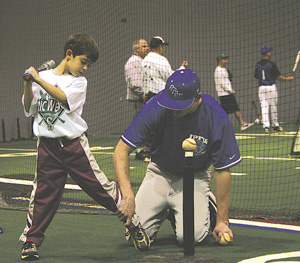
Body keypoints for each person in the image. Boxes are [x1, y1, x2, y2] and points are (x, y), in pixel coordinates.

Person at [20, 33, 150, 261]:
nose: (85, 68)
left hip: (73, 147)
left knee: (101, 189)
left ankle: (134, 224)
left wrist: (39, 79)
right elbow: (30, 108)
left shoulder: (78, 82)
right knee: (42, 195)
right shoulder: (43, 77)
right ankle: (30, 241)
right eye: (83, 61)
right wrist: (28, 83)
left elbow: (63, 99)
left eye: (88, 64)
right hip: (47, 148)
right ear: (69, 54)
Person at [113, 68, 240, 246]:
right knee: (134, 235)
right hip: (159, 172)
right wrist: (128, 196)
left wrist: (222, 221)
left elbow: (222, 169)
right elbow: (121, 150)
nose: (173, 107)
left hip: (194, 177)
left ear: (198, 98)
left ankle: (207, 202)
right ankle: (170, 208)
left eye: (180, 104)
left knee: (190, 238)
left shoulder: (216, 115)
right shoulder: (156, 105)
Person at [254, 46, 294, 133]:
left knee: (264, 107)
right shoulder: (271, 64)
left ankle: (266, 127)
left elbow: (257, 78)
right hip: (271, 87)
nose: (270, 53)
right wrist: (288, 79)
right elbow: (278, 77)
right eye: (269, 52)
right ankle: (275, 125)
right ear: (267, 53)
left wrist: (260, 87)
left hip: (261, 88)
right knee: (273, 106)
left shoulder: (258, 64)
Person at [124, 39, 150, 161]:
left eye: (147, 46)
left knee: (144, 125)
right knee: (140, 125)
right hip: (138, 99)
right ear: (137, 49)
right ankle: (140, 151)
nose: (147, 48)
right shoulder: (133, 62)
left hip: (142, 99)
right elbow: (135, 83)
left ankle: (144, 149)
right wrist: (143, 94)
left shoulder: (141, 61)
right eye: (144, 46)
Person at [141, 36, 188, 102]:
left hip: (149, 99)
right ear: (160, 47)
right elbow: (171, 78)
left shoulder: (144, 61)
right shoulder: (160, 59)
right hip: (160, 97)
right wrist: (182, 68)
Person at [214, 54, 254, 131]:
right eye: (224, 59)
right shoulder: (218, 70)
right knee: (234, 108)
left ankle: (241, 124)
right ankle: (242, 124)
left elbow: (226, 81)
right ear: (220, 60)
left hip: (226, 93)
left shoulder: (224, 69)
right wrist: (230, 90)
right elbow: (222, 83)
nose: (226, 61)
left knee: (227, 110)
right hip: (224, 94)